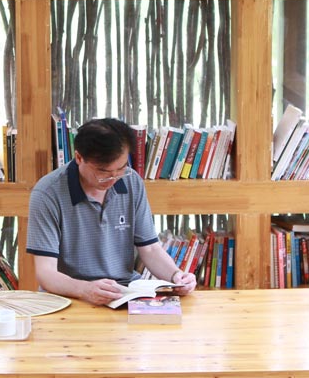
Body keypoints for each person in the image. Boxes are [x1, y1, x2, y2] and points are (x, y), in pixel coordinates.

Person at [27, 118, 196, 306]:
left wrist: (176, 275)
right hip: (69, 296)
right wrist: (84, 289)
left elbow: (149, 248)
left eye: (121, 168)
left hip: (125, 292)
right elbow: (45, 272)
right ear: (79, 157)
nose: (114, 178)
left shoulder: (132, 182)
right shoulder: (48, 193)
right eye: (103, 171)